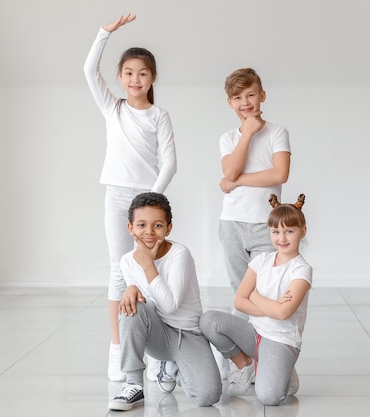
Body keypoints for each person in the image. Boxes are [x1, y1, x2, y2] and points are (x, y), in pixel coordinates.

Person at [83, 13, 177, 382]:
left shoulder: (159, 115)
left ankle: (153, 348)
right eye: (128, 73)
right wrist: (104, 33)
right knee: (118, 269)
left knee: (150, 270)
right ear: (121, 77)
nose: (135, 79)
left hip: (148, 201)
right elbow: (90, 71)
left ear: (152, 78)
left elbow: (170, 161)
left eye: (142, 73)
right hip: (116, 195)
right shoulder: (114, 108)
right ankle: (118, 347)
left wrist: (151, 199)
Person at [108, 192, 222, 411]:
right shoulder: (127, 261)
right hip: (156, 334)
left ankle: (170, 368)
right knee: (131, 307)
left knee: (208, 395)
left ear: (168, 228)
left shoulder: (180, 254)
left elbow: (170, 305)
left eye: (158, 225)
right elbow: (142, 300)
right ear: (130, 228)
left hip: (188, 335)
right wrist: (131, 288)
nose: (149, 232)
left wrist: (148, 265)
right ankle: (133, 384)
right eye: (141, 224)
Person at [200, 194, 312, 406]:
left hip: (281, 340)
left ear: (302, 231)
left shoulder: (301, 269)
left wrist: (253, 295)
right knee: (209, 320)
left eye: (289, 231)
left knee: (269, 397)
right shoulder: (261, 260)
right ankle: (245, 363)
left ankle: (285, 371)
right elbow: (239, 302)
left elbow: (283, 314)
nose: (282, 238)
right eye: (276, 231)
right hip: (254, 333)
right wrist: (272, 303)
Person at [218, 67, 291, 298]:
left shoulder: (277, 132)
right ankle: (244, 335)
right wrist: (247, 133)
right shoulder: (228, 138)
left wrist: (236, 182)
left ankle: (265, 334)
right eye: (237, 97)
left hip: (264, 223)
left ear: (262, 95)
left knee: (267, 288)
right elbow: (230, 171)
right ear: (230, 103)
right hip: (232, 223)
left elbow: (280, 174)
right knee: (240, 290)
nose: (245, 102)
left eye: (250, 94)